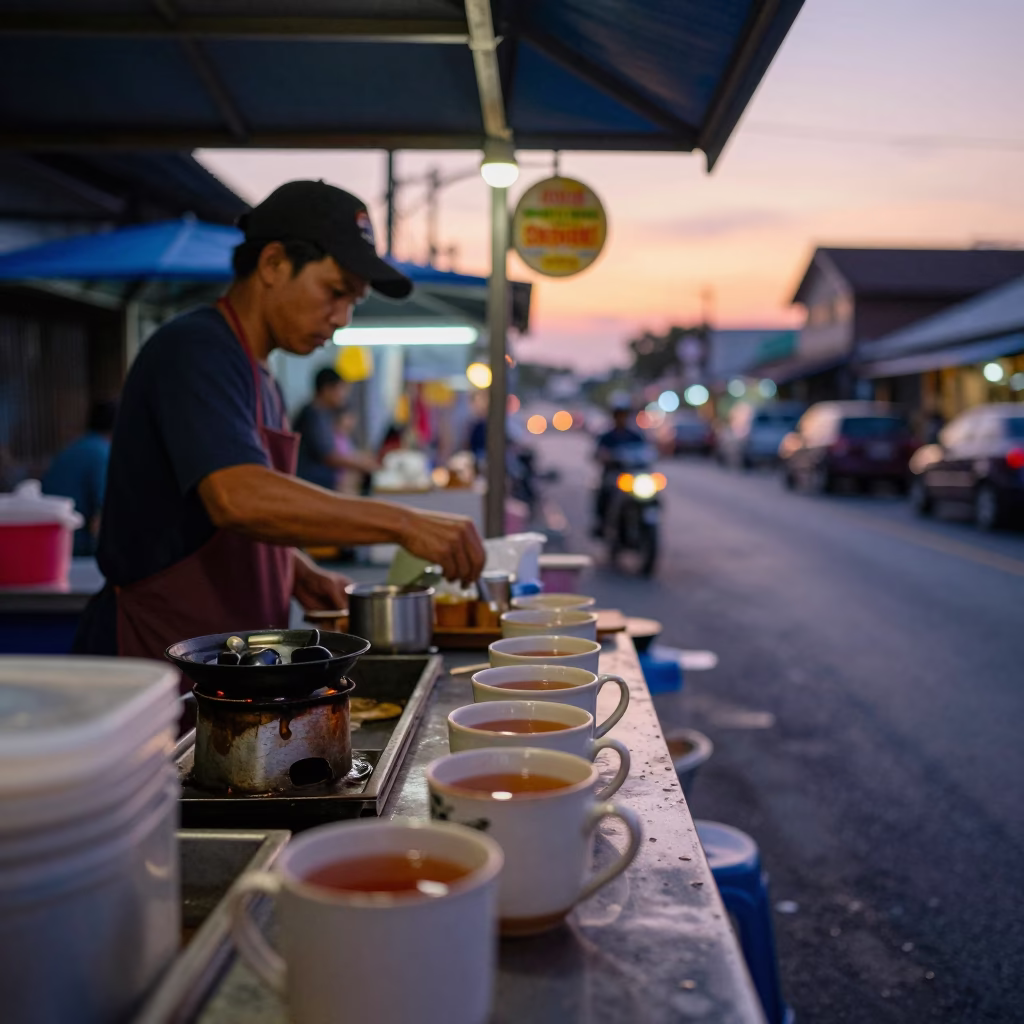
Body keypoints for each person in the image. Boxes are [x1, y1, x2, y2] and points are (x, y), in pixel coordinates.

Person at [74, 180, 485, 661]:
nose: (343, 318)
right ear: (272, 264)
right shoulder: (196, 349)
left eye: (354, 300)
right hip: (157, 656)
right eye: (335, 291)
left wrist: (296, 570)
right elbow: (238, 497)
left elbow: (202, 522)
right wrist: (404, 523)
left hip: (227, 661)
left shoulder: (262, 377)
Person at [42, 400, 117, 556]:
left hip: (50, 541)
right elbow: (108, 508)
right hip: (75, 547)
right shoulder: (102, 453)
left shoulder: (75, 447)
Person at [294, 367, 375, 489]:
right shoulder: (312, 414)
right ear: (327, 390)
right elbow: (328, 456)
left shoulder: (324, 413)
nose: (344, 395)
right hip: (311, 483)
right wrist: (360, 463)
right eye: (341, 389)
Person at [593, 404, 645, 535]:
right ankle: (602, 523)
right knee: (604, 492)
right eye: (619, 416)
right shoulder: (607, 436)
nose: (622, 419)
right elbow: (598, 453)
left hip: (633, 474)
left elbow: (646, 451)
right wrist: (606, 457)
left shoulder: (635, 435)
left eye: (624, 416)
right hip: (613, 474)